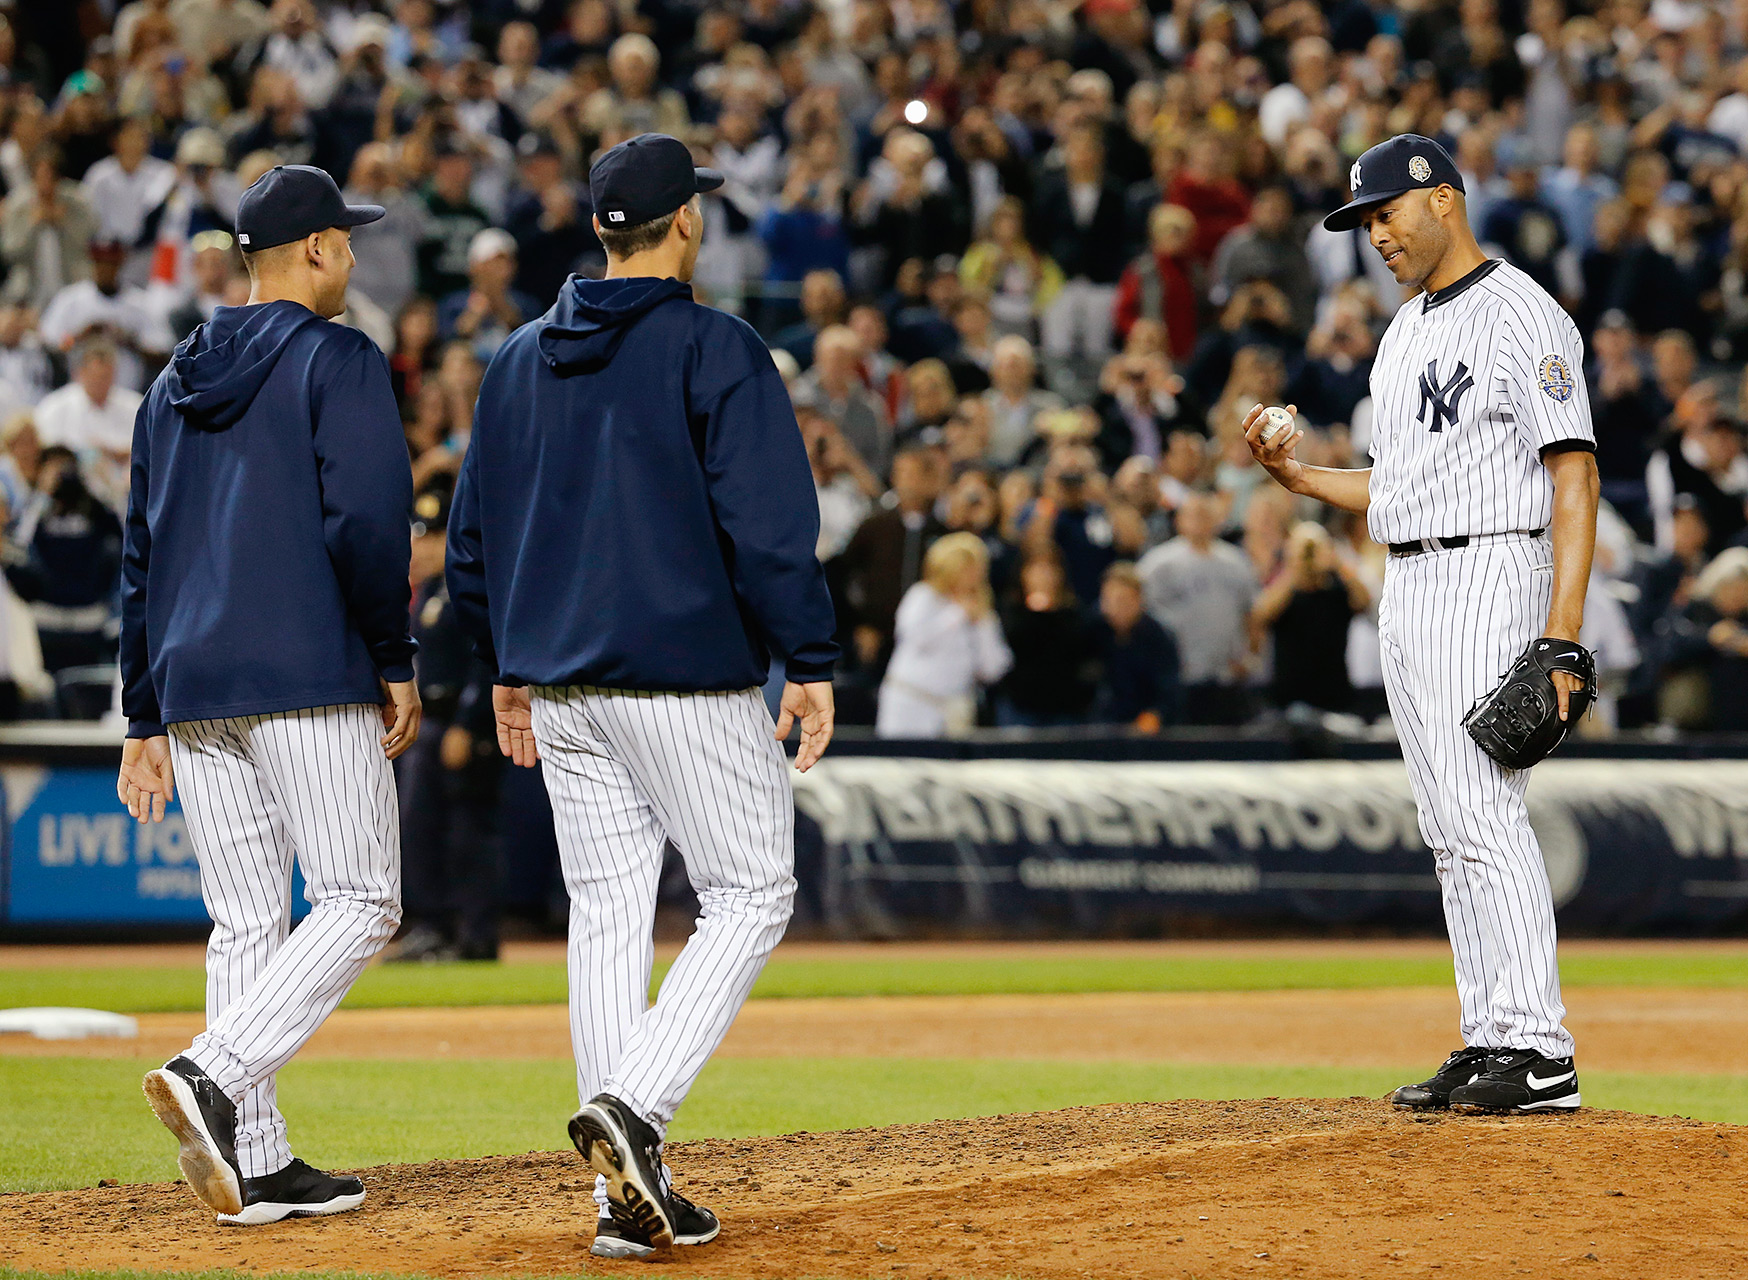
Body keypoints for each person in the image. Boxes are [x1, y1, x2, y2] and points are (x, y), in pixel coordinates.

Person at [446, 132, 837, 1261]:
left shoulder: (517, 357)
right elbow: (769, 530)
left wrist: (504, 663)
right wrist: (806, 657)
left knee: (609, 910)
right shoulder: (715, 346)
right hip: (681, 674)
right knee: (752, 886)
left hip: (559, 685)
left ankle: (619, 1193)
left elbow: (473, 540)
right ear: (683, 222)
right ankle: (635, 1109)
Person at [1250, 134, 1600, 1115]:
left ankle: (1537, 1047)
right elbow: (1393, 487)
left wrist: (1560, 635)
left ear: (1441, 201)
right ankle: (1490, 1031)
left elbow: (1572, 472)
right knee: (1445, 823)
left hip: (1489, 565)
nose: (1374, 234)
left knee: (1481, 809)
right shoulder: (1402, 329)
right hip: (1407, 576)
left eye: (1384, 213)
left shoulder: (1520, 312)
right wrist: (1295, 478)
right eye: (1362, 222)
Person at [119, 164, 419, 1226]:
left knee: (246, 916)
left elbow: (140, 554)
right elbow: (370, 520)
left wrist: (143, 711)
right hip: (302, 666)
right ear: (316, 250)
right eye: (343, 238)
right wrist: (394, 651)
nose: (350, 253)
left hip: (196, 680)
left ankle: (253, 1161)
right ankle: (215, 1070)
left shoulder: (172, 379)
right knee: (362, 896)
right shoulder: (338, 356)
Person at [1135, 489, 1256, 724]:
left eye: (1206, 514)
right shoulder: (1158, 564)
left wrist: (1248, 656)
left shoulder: (1237, 562)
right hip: (1179, 676)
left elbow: (1251, 613)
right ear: (1179, 520)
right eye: (1194, 514)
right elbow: (1142, 617)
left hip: (1225, 678)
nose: (1200, 521)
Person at [875, 531, 1011, 737]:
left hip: (953, 710)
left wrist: (983, 625)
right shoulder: (923, 596)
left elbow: (993, 668)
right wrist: (956, 614)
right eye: (966, 568)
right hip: (910, 702)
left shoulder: (982, 611)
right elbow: (914, 637)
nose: (973, 576)